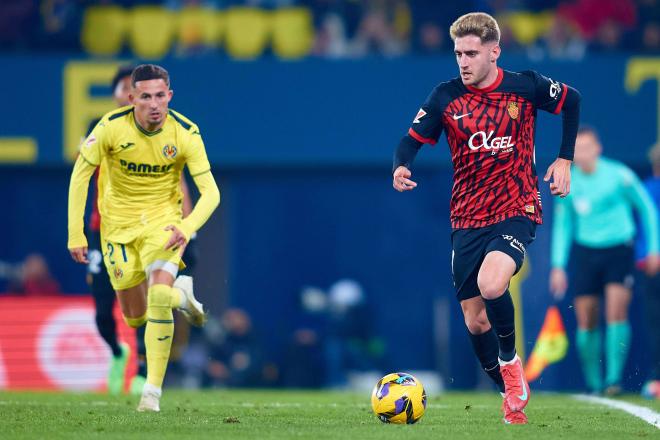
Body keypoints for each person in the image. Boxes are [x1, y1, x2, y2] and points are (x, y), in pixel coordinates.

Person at [392, 12, 580, 424]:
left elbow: (572, 100)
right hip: (466, 217)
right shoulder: (445, 96)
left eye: (471, 53)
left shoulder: (525, 86)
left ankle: (512, 368)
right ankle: (506, 390)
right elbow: (411, 140)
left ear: (494, 52)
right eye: (458, 52)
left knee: (492, 282)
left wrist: (565, 158)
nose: (463, 61)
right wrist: (401, 166)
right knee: (475, 321)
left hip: (516, 207)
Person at [68, 64, 220, 412]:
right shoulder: (109, 127)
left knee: (158, 296)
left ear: (170, 96)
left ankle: (151, 393)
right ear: (132, 97)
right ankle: (181, 295)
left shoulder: (185, 132)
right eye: (146, 96)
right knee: (134, 317)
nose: (154, 104)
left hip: (163, 224)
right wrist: (76, 233)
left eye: (160, 96)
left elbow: (211, 193)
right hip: (116, 229)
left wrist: (186, 226)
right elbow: (80, 175)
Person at [549, 126, 660, 396]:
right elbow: (563, 226)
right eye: (578, 149)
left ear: (598, 149)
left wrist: (654, 248)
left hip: (619, 250)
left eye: (587, 148)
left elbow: (646, 208)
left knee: (616, 312)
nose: (583, 154)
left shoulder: (619, 176)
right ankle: (594, 383)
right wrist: (558, 266)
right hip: (586, 252)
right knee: (586, 319)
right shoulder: (569, 182)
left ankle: (613, 380)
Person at [639, 142, 660, 400]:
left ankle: (656, 378)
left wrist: (646, 255)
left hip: (651, 264)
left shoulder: (644, 189)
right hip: (653, 265)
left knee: (655, 324)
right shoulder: (646, 190)